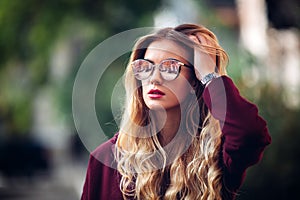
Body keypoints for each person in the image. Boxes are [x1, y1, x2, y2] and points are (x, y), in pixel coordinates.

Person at [81, 23, 271, 200]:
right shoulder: (107, 160)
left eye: (170, 67)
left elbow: (250, 133)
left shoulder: (216, 155)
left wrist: (210, 76)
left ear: (194, 80)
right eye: (145, 67)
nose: (154, 78)